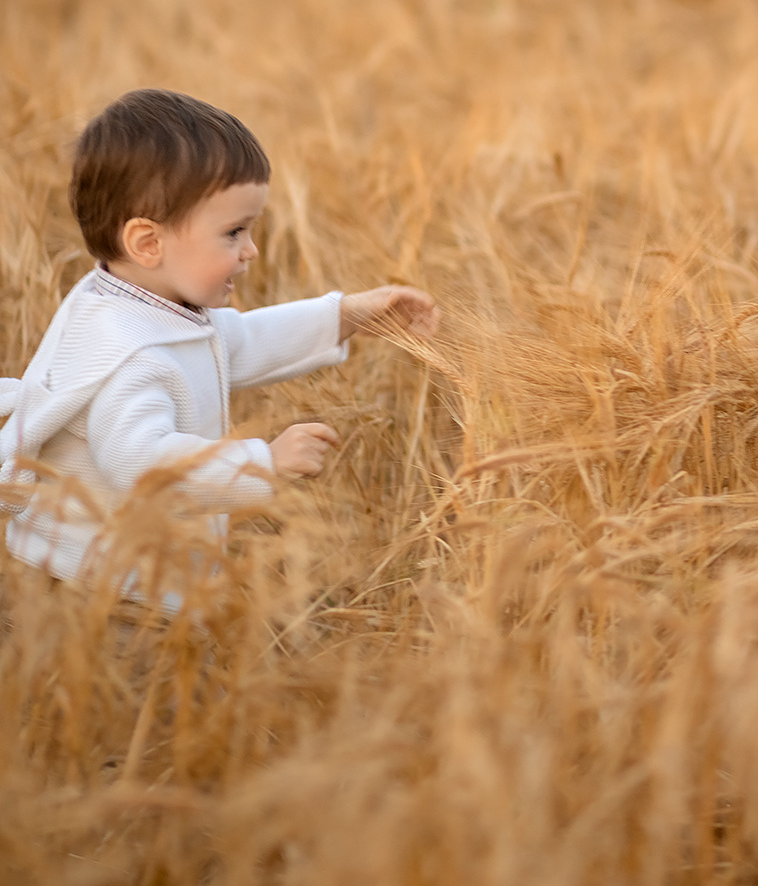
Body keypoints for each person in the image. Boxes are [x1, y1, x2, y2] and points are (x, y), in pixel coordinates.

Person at [0, 88, 438, 594]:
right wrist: (261, 463)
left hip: (115, 572)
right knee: (141, 678)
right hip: (104, 589)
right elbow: (139, 462)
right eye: (233, 232)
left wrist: (345, 316)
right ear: (148, 243)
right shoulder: (129, 355)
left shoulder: (131, 302)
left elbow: (236, 340)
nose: (251, 250)